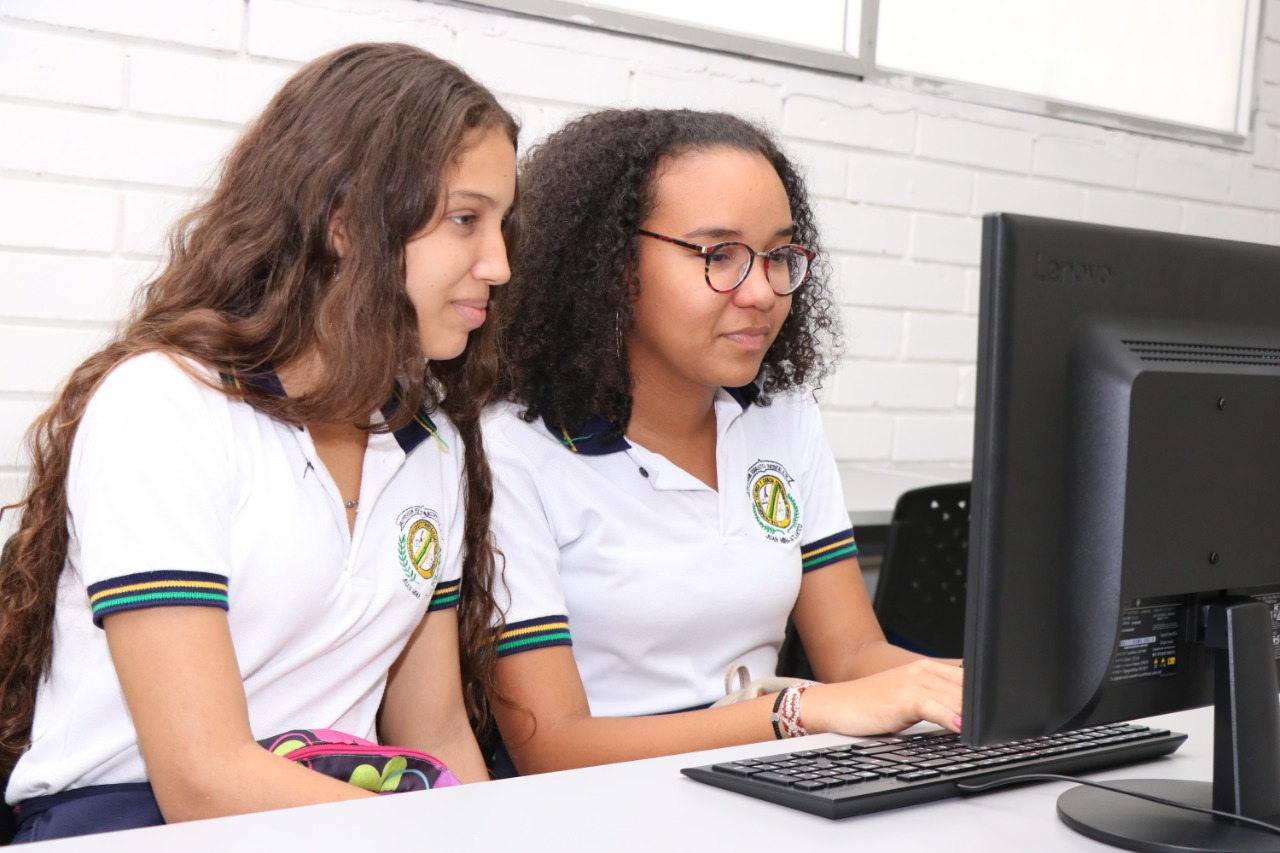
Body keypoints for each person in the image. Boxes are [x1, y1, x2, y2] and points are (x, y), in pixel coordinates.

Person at [0, 42, 516, 841]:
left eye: (503, 224)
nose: (501, 263)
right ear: (346, 223)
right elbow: (202, 780)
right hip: (131, 821)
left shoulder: (431, 445)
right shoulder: (167, 404)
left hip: (338, 815)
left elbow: (438, 732)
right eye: (465, 219)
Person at [483, 109, 963, 775]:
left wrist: (970, 690)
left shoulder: (782, 415)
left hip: (761, 775)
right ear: (614, 264)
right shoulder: (514, 448)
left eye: (779, 256)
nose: (762, 292)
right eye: (720, 256)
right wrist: (793, 713)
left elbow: (853, 654)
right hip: (597, 803)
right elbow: (552, 746)